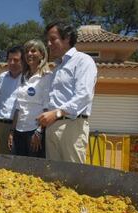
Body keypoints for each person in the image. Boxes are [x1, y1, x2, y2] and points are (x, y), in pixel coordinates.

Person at [37, 21, 98, 164]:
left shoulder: (83, 61)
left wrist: (56, 113)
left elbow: (84, 95)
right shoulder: (57, 68)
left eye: (53, 39)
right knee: (54, 176)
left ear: (67, 38)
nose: (49, 44)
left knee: (73, 177)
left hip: (71, 127)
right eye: (48, 40)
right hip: (52, 127)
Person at [7, 40, 52, 158]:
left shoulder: (47, 77)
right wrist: (12, 132)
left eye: (33, 51)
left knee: (34, 169)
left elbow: (47, 109)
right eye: (27, 51)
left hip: (34, 132)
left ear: (42, 54)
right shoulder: (23, 77)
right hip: (19, 131)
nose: (29, 54)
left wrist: (39, 131)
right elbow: (18, 108)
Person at [0, 46, 24, 154]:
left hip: (21, 126)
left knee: (20, 160)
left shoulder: (28, 79)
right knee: (3, 160)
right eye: (10, 60)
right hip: (2, 126)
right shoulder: (1, 78)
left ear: (23, 61)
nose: (12, 63)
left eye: (16, 60)